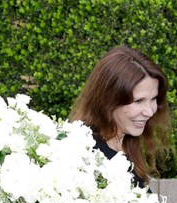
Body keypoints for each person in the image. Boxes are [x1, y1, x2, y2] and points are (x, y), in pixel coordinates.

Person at [69, 46, 171, 187]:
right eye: (138, 101)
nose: (149, 111)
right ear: (109, 99)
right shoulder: (84, 155)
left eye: (153, 99)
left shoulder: (127, 144)